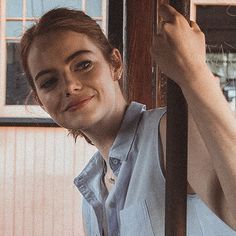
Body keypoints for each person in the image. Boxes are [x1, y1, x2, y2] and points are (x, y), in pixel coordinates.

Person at [20, 3, 236, 236]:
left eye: (83, 64)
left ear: (115, 64)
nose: (70, 86)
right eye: (49, 81)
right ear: (40, 100)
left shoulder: (168, 133)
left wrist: (193, 71)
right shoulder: (92, 188)